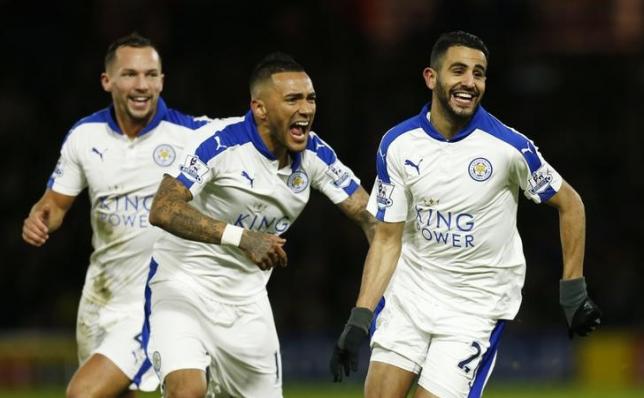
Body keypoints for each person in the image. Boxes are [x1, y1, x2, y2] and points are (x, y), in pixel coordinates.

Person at [329, 31, 602, 398]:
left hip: (473, 308)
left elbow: (571, 204)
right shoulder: (397, 144)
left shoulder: (509, 148)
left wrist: (573, 290)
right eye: (459, 71)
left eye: (479, 73)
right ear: (431, 77)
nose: (470, 82)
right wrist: (360, 316)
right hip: (410, 298)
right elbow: (387, 238)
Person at [142, 51, 376, 398]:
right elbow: (162, 208)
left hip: (248, 304)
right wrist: (242, 238)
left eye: (310, 98)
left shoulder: (315, 155)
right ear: (260, 108)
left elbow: (372, 220)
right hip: (182, 288)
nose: (306, 109)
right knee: (186, 390)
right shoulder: (219, 143)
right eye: (292, 99)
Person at [21, 32, 211, 398]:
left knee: (83, 393)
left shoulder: (191, 136)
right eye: (130, 75)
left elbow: (248, 141)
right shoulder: (84, 136)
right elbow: (54, 205)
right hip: (99, 298)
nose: (142, 85)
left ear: (162, 81)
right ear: (107, 81)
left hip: (152, 300)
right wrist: (38, 219)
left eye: (150, 75)